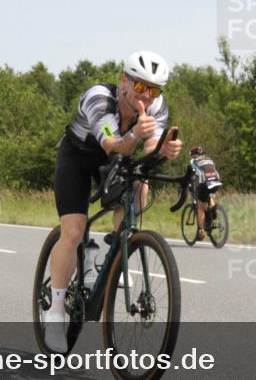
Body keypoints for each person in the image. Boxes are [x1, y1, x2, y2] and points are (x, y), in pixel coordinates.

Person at [45, 51, 183, 352]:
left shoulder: (157, 106)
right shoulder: (99, 98)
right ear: (124, 81)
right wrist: (135, 133)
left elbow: (148, 149)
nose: (146, 96)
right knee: (73, 231)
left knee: (140, 185)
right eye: (140, 87)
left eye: (153, 90)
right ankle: (55, 311)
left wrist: (164, 151)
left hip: (118, 157)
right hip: (80, 156)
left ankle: (115, 253)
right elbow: (112, 143)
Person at [188, 146, 223, 241]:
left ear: (193, 155)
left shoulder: (193, 161)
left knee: (201, 207)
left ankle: (201, 232)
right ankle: (213, 212)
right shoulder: (209, 160)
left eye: (191, 155)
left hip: (205, 184)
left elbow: (190, 175)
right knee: (209, 197)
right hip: (216, 182)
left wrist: (188, 185)